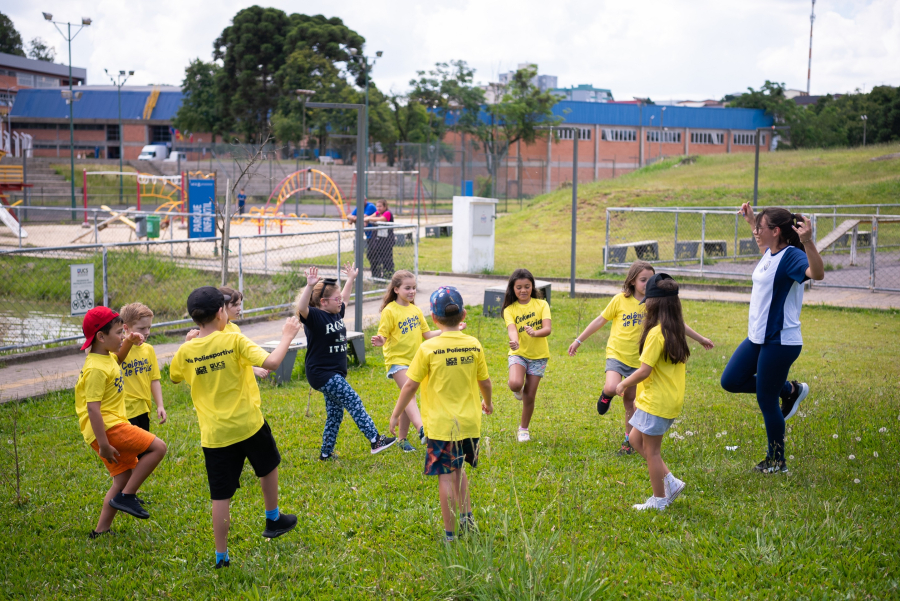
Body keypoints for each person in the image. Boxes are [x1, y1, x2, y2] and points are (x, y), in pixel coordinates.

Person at [170, 287, 302, 569]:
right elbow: (273, 362)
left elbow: (174, 376)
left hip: (215, 436)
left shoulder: (186, 351)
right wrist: (287, 335)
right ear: (221, 312)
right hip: (249, 424)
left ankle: (221, 557)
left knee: (221, 495)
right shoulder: (233, 340)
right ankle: (273, 517)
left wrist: (189, 344)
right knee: (267, 466)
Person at [568, 261, 713, 455]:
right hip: (617, 355)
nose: (646, 284)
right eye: (643, 280)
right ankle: (606, 396)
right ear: (632, 281)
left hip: (639, 361)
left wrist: (701, 338)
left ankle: (628, 441)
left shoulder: (654, 303)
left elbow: (677, 324)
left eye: (650, 280)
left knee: (631, 402)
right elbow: (600, 320)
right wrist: (579, 340)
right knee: (612, 387)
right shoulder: (620, 300)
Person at [720, 205, 824, 474]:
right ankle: (789, 390)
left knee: (766, 400)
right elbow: (767, 255)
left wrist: (808, 241)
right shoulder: (770, 252)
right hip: (758, 336)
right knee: (730, 380)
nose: (755, 232)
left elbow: (818, 273)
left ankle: (777, 462)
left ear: (776, 231)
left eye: (759, 228)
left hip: (780, 340)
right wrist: (753, 220)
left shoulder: (791, 256)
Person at [389, 286, 493, 542]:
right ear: (464, 314)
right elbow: (486, 382)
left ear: (434, 318)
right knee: (459, 470)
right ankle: (468, 520)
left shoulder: (428, 348)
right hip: (469, 424)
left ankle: (450, 534)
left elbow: (410, 386)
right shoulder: (473, 344)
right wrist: (487, 403)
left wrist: (395, 415)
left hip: (441, 427)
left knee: (446, 477)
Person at [74, 306, 168, 538]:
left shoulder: (105, 357)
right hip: (109, 427)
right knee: (158, 447)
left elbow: (118, 358)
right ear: (101, 337)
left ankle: (100, 531)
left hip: (111, 425)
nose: (123, 336)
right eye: (119, 333)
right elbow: (93, 409)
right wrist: (104, 444)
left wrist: (129, 341)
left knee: (123, 478)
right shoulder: (95, 368)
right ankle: (127, 496)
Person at [295, 263, 397, 460]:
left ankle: (326, 453)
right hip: (322, 373)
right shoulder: (315, 316)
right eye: (336, 299)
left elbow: (346, 298)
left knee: (335, 414)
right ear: (323, 302)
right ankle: (375, 439)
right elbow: (302, 308)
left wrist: (350, 279)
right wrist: (309, 286)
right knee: (353, 400)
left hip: (332, 373)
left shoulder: (336, 313)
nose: (341, 301)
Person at [615, 274, 691, 511]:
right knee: (636, 439)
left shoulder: (657, 333)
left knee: (652, 452)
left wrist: (624, 384)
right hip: (664, 400)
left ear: (654, 304)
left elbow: (645, 370)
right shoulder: (675, 329)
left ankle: (659, 501)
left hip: (657, 403)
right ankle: (670, 481)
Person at [371, 270, 465, 452]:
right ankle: (422, 429)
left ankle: (402, 439)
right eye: (407, 288)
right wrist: (380, 341)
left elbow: (428, 335)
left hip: (415, 360)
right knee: (410, 393)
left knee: (408, 397)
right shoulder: (390, 311)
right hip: (397, 361)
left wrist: (451, 329)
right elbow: (383, 335)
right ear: (396, 289)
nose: (412, 291)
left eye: (414, 287)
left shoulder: (415, 310)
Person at [117, 302, 167, 503]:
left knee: (141, 454)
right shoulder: (118, 350)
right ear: (126, 328)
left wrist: (160, 405)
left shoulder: (149, 350)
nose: (146, 333)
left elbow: (154, 379)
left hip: (143, 410)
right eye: (141, 329)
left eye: (149, 328)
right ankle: (126, 494)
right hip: (124, 413)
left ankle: (130, 493)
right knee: (130, 457)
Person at [502, 269, 551, 443]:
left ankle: (523, 429)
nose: (523, 290)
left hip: (539, 356)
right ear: (512, 289)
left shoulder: (542, 305)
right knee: (515, 384)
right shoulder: (510, 309)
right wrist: (514, 341)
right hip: (519, 353)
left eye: (527, 287)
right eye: (519, 287)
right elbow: (512, 328)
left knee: (530, 395)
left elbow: (548, 329)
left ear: (532, 287)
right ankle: (518, 390)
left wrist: (535, 333)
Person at [186, 288, 269, 379]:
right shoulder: (217, 331)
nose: (239, 309)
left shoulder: (235, 327)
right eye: (235, 305)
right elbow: (223, 360)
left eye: (239, 304)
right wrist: (255, 369)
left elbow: (239, 356)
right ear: (222, 307)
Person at [364, 200, 395, 279]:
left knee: (386, 259)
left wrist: (369, 219)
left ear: (385, 206)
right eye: (377, 206)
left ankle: (387, 276)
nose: (378, 208)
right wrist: (368, 218)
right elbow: (370, 217)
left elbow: (382, 219)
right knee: (372, 255)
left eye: (380, 206)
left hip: (386, 241)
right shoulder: (377, 213)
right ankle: (376, 275)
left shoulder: (387, 213)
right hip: (377, 240)